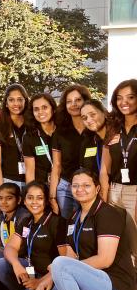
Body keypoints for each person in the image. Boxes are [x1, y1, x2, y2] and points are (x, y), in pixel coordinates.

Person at [32, 169, 136, 290]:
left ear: (97, 188)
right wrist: (50, 278)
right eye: (75, 185)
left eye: (86, 185)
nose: (80, 189)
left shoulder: (108, 213)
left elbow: (105, 259)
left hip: (115, 287)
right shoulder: (74, 217)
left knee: (60, 262)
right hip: (91, 283)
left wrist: (62, 268)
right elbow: (71, 258)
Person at [0, 182, 65, 290]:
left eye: (39, 198)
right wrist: (16, 265)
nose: (34, 202)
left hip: (53, 277)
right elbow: (10, 247)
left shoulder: (57, 223)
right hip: (32, 272)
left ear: (46, 201)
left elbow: (66, 260)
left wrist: (41, 281)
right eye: (30, 198)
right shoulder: (27, 222)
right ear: (24, 200)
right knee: (2, 264)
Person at [50, 85, 91, 218]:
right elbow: (56, 165)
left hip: (90, 187)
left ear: (86, 101)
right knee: (66, 227)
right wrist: (52, 196)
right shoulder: (60, 131)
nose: (74, 104)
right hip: (66, 187)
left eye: (78, 100)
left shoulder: (94, 129)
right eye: (69, 101)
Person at [102, 79, 137, 223]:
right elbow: (104, 168)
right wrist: (104, 196)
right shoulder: (112, 127)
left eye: (130, 97)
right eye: (119, 98)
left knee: (133, 240)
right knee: (115, 240)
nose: (124, 102)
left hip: (134, 192)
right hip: (114, 191)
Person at [0, 84, 29, 188]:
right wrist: (1, 188)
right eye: (11, 100)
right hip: (9, 181)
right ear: (6, 103)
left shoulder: (32, 124)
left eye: (20, 99)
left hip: (33, 179)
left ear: (25, 101)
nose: (16, 103)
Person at [23, 93, 56, 184]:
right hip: (42, 186)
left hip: (66, 185)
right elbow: (29, 171)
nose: (40, 112)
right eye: (36, 109)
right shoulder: (29, 137)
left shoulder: (63, 132)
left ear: (52, 109)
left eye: (44, 107)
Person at [79, 100, 109, 177]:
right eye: (84, 118)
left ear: (104, 113)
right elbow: (84, 168)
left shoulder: (118, 137)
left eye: (93, 115)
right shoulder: (87, 140)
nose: (88, 120)